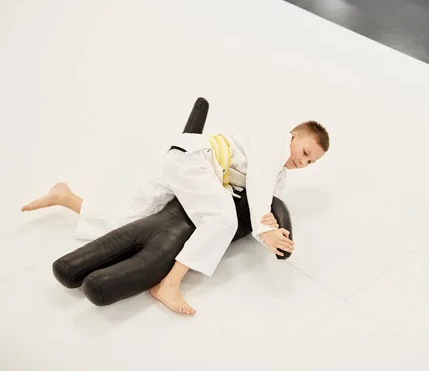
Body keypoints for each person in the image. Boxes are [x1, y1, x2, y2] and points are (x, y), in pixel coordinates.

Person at [21, 121, 330, 315]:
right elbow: (258, 190)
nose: (302, 162)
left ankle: (66, 197)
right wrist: (266, 229)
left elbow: (259, 204)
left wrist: (271, 236)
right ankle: (169, 284)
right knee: (223, 219)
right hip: (195, 161)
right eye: (304, 152)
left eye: (310, 162)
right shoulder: (271, 142)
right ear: (292, 136)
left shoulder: (279, 177)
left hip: (186, 166)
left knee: (133, 220)